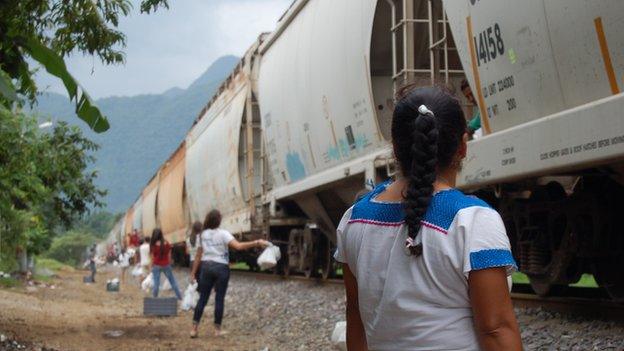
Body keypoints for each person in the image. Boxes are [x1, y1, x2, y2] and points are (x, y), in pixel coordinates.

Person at [334, 86, 522, 350]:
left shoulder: (353, 220)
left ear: (395, 146)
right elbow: (496, 329)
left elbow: (356, 318)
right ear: (463, 147)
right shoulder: (472, 221)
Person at [189, 210, 269, 338]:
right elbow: (238, 246)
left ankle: (194, 329)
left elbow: (198, 255)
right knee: (219, 299)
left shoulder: (202, 235)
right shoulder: (223, 234)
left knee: (203, 298)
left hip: (206, 267)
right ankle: (217, 330)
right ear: (218, 220)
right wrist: (257, 242)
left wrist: (193, 273)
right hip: (221, 268)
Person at [150, 229, 183, 300]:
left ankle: (154, 298)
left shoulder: (153, 245)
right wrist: (170, 263)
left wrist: (151, 266)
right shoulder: (166, 243)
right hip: (166, 265)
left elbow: (152, 257)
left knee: (156, 283)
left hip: (156, 265)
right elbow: (169, 255)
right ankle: (180, 297)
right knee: (172, 281)